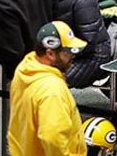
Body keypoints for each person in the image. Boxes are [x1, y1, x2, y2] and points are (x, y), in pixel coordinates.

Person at [6, 22, 87, 156]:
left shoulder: (26, 68)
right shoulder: (52, 90)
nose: (73, 57)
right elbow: (52, 138)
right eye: (67, 53)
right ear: (50, 54)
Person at [42, 0, 112, 88]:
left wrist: (59, 53)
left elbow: (89, 43)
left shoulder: (83, 1)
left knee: (47, 83)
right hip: (62, 49)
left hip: (92, 57)